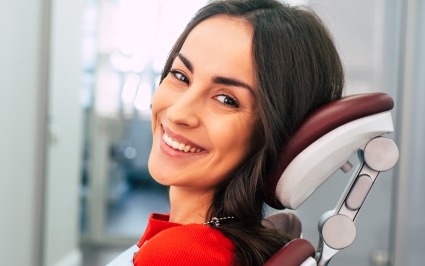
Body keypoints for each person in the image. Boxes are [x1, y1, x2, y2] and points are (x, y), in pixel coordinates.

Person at [108, 0, 344, 265]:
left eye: (226, 100)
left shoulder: (178, 255)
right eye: (181, 76)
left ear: (277, 134)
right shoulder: (213, 242)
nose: (177, 113)